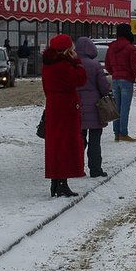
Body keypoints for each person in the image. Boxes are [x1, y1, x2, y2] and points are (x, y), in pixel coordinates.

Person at [42, 34, 87, 197]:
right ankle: (62, 183)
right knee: (65, 145)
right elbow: (80, 79)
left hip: (54, 105)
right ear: (67, 50)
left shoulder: (48, 65)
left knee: (55, 144)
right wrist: (77, 62)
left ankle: (56, 181)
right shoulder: (64, 66)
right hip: (65, 107)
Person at [75, 37, 111, 178]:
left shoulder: (73, 64)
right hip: (95, 108)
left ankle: (77, 168)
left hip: (77, 107)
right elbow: (103, 87)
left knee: (79, 140)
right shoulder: (95, 65)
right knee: (95, 141)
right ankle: (95, 169)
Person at [105, 23, 136, 142]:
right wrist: (133, 76)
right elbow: (135, 65)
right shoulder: (130, 47)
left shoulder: (111, 47)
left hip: (115, 79)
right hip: (126, 80)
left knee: (116, 108)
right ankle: (123, 133)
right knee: (124, 108)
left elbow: (107, 65)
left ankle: (116, 133)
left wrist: (114, 73)